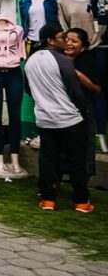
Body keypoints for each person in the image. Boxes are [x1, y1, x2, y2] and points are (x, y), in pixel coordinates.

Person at [24, 23, 94, 213]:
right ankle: (81, 202)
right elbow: (75, 91)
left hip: (45, 120)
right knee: (76, 161)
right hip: (70, 119)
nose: (65, 40)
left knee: (48, 160)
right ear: (51, 40)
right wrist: (83, 111)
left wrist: (44, 100)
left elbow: (28, 89)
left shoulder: (30, 62)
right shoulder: (62, 61)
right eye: (62, 37)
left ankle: (48, 200)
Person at [62, 28, 101, 178]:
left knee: (84, 148)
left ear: (83, 45)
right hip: (62, 109)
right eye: (66, 40)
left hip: (83, 110)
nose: (69, 44)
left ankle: (82, 188)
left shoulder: (88, 60)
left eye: (74, 41)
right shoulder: (58, 58)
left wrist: (73, 71)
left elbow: (96, 88)